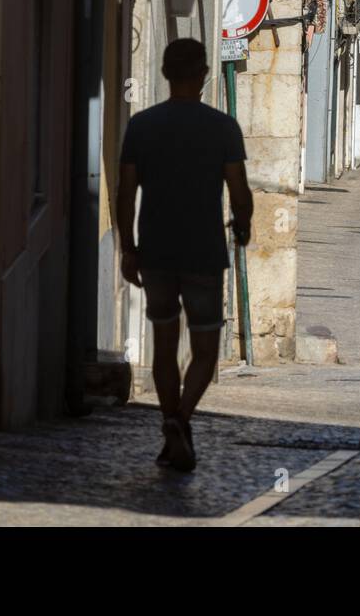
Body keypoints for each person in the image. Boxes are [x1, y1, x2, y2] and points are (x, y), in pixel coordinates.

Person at [117, 38, 253, 472]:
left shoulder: (141, 126)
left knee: (162, 346)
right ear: (203, 74)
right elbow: (239, 191)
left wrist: (128, 247)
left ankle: (171, 426)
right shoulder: (223, 128)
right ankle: (180, 419)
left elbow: (125, 193)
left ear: (164, 73)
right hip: (204, 254)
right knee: (206, 349)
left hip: (155, 251)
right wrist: (244, 225)